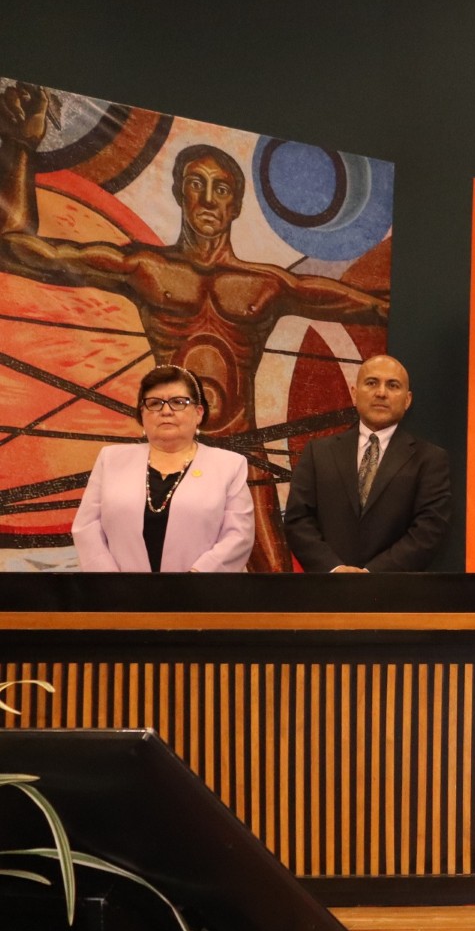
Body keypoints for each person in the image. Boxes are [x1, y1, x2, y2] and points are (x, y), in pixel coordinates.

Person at [0, 81, 390, 574]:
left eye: (221, 189)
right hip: (171, 449)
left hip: (241, 453)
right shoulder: (145, 269)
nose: (207, 199)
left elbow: (372, 308)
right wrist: (20, 147)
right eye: (196, 183)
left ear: (236, 205)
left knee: (273, 585)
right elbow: (17, 247)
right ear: (179, 192)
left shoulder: (266, 285)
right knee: (150, 562)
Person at [70, 365, 253, 572]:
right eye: (155, 403)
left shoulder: (229, 465)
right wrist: (113, 582)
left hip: (200, 589)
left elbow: (239, 536)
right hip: (118, 589)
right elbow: (87, 527)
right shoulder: (111, 460)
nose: (166, 411)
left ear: (198, 413)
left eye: (178, 402)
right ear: (142, 413)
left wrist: (195, 579)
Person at [283, 355, 451, 573]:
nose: (381, 393)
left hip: (394, 589)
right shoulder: (318, 453)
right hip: (326, 586)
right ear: (354, 393)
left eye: (393, 385)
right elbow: (298, 520)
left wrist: (371, 574)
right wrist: (334, 569)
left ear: (407, 400)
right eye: (371, 383)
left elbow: (429, 529)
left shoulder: (430, 459)